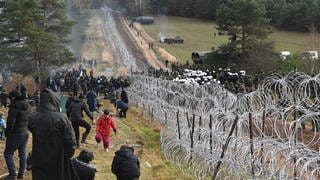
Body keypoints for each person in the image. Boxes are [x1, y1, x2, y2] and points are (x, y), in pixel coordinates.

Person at [28, 88, 78, 180]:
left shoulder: (32, 117)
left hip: (39, 157)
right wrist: (68, 155)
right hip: (58, 159)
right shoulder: (61, 118)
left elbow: (32, 129)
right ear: (53, 100)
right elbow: (71, 141)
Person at [3, 89, 31, 179]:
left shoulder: (15, 106)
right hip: (25, 132)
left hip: (16, 133)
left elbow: (11, 122)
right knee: (22, 153)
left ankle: (12, 174)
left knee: (8, 153)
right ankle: (21, 174)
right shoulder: (28, 105)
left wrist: (7, 133)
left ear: (13, 97)